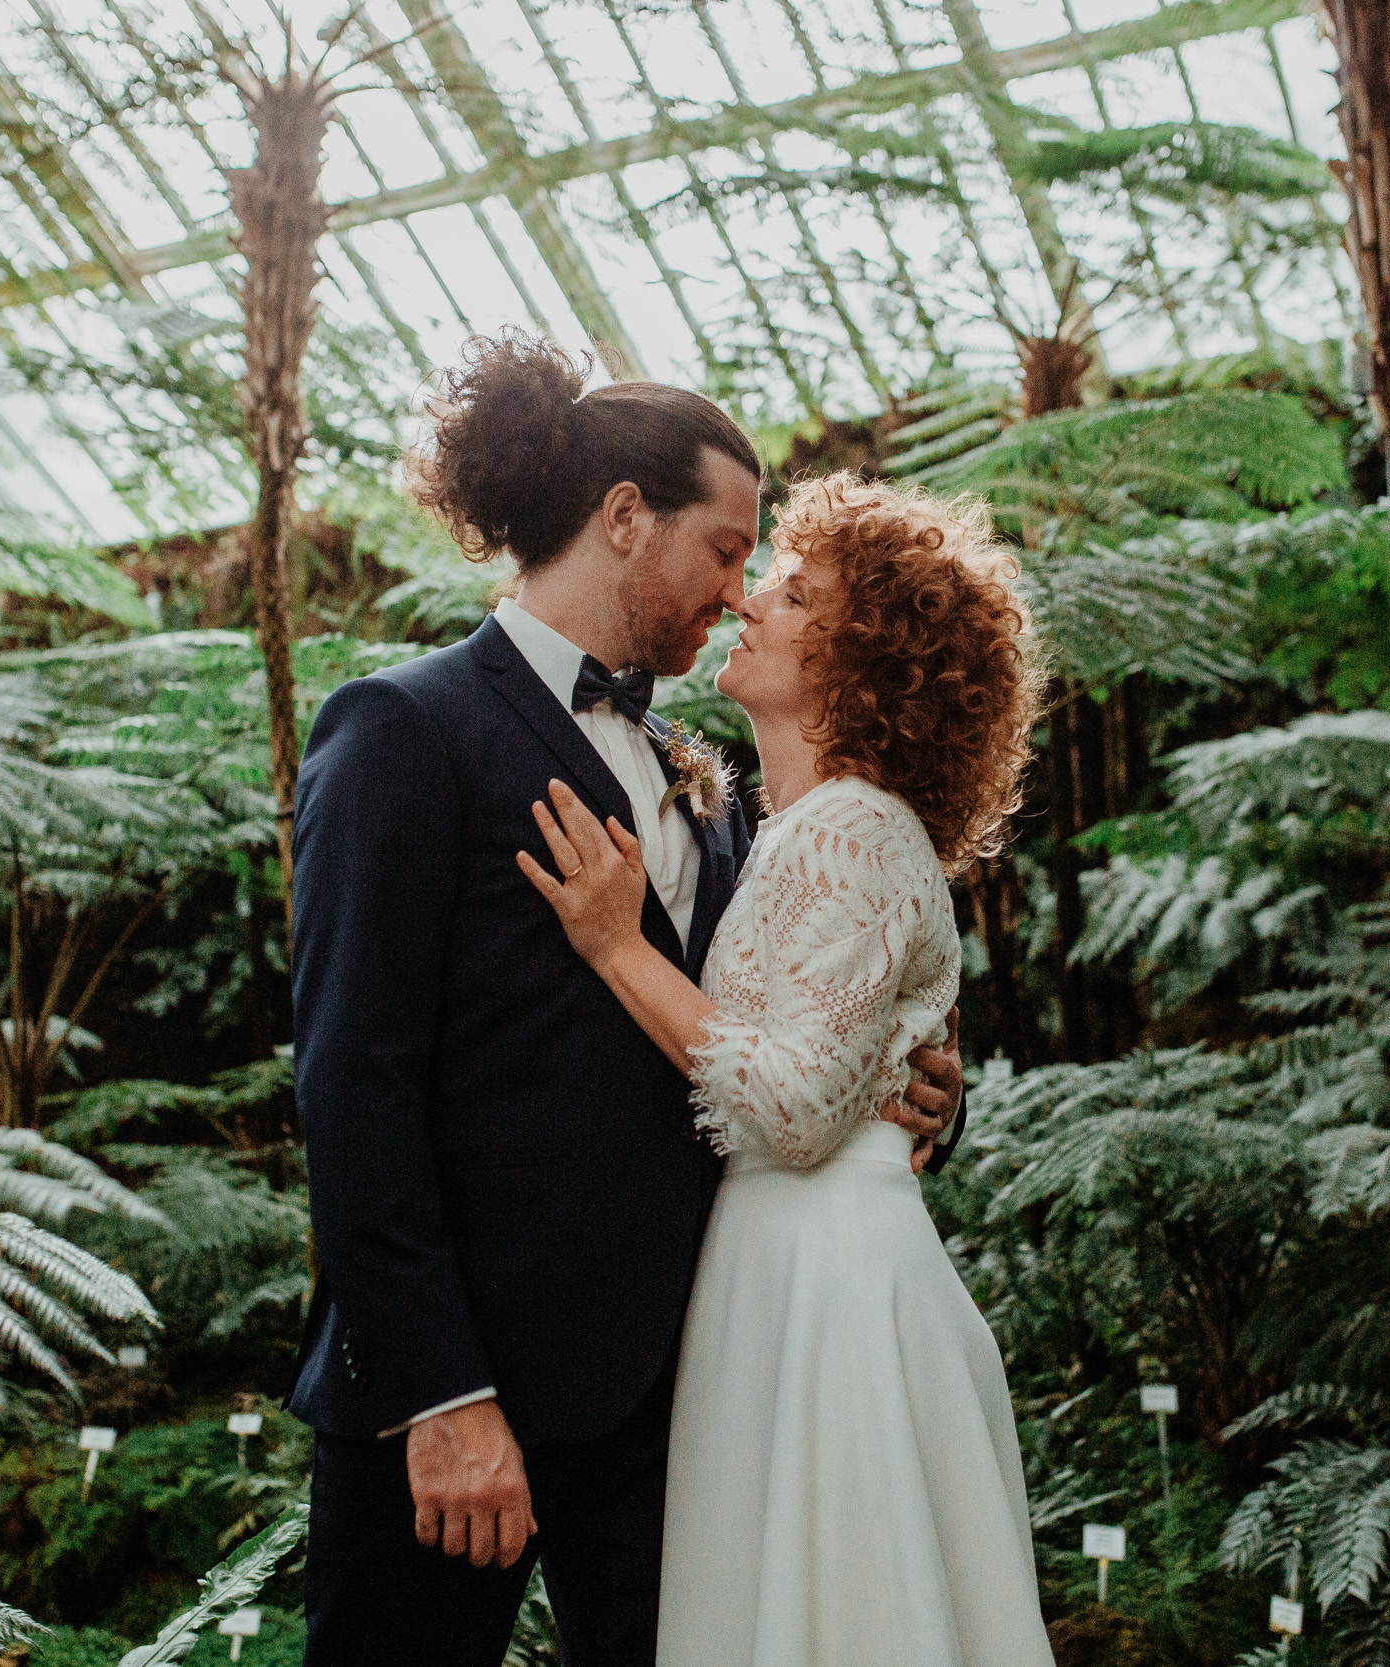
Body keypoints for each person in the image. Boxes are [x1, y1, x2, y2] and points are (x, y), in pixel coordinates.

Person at [286, 333, 962, 1667]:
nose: (737, 586)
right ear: (623, 518)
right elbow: (352, 1082)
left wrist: (917, 1085)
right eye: (724, 547)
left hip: (675, 1406)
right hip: (452, 1399)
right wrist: (444, 1391)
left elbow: (764, 1025)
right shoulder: (403, 731)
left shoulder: (698, 776)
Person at [520, 471, 1054, 1667]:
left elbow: (798, 1105)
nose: (751, 602)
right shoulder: (793, 831)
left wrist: (613, 945)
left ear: (864, 658)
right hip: (789, 1271)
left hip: (828, 1295)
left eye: (794, 591)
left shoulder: (852, 828)